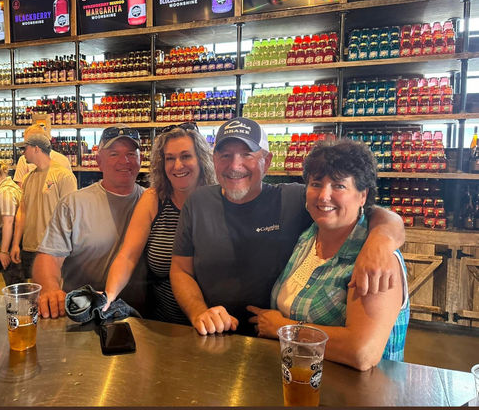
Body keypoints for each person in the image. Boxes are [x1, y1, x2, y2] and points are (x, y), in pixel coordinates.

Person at [170, 117, 405, 336]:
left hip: (275, 340)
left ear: (267, 161)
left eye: (246, 154)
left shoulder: (295, 198)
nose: (235, 165)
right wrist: (199, 311)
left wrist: (381, 241)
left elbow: (367, 211)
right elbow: (181, 270)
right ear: (214, 160)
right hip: (213, 334)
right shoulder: (197, 203)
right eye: (225, 155)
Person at [248, 139, 410, 371]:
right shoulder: (309, 236)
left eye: (339, 186)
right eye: (316, 183)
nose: (324, 196)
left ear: (362, 195)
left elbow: (361, 351)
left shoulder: (375, 259)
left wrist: (283, 329)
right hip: (301, 381)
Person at [104, 123, 216, 323]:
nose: (177, 165)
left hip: (217, 325)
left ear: (201, 159)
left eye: (186, 156)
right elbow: (128, 256)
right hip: (164, 327)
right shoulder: (154, 199)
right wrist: (108, 296)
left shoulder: (219, 199)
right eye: (170, 158)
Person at [33, 126, 144, 318]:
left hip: (141, 316)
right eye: (114, 154)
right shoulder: (74, 204)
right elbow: (49, 257)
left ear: (140, 160)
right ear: (98, 161)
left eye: (131, 154)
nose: (124, 161)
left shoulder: (152, 201)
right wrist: (50, 288)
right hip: (84, 314)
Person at [9, 133, 77, 285]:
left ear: (36, 149)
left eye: (24, 148)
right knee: (34, 291)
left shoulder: (63, 176)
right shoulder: (28, 178)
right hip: (30, 246)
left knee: (53, 292)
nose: (22, 153)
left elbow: (72, 214)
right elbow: (22, 211)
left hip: (54, 248)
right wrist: (15, 243)